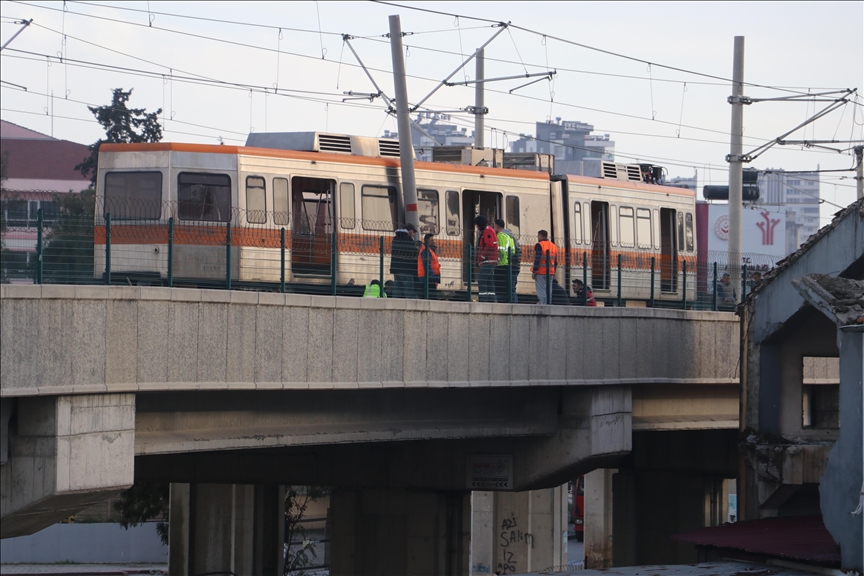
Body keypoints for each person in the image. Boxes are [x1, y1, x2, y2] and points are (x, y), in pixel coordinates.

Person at [390, 223, 419, 298]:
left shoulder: (396, 238)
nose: (413, 234)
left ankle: (396, 304)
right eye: (413, 232)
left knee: (397, 291)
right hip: (406, 269)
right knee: (409, 293)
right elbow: (413, 253)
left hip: (396, 269)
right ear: (410, 231)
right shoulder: (408, 239)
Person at [474, 216, 498, 302]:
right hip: (490, 260)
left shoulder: (487, 231)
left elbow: (489, 245)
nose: (477, 227)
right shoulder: (488, 230)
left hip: (488, 260)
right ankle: (491, 300)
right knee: (489, 281)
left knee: (482, 280)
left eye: (477, 225)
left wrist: (482, 256)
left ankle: (483, 300)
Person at [531, 230, 557, 304]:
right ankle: (548, 305)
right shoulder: (553, 246)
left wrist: (534, 271)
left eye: (538, 236)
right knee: (549, 291)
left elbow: (537, 259)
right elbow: (556, 262)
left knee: (541, 291)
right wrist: (554, 272)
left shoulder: (539, 245)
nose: (538, 237)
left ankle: (543, 305)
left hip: (541, 272)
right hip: (550, 272)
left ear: (540, 236)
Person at [493, 219, 515, 303]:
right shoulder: (510, 237)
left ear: (497, 226)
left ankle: (501, 304)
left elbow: (500, 251)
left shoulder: (500, 236)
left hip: (500, 265)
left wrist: (497, 260)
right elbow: (513, 251)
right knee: (506, 288)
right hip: (508, 265)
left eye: (494, 226)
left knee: (499, 288)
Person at [501, 224, 522, 304]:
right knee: (512, 287)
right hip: (515, 267)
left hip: (512, 266)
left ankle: (514, 304)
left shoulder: (508, 239)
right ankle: (513, 303)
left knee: (511, 288)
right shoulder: (514, 240)